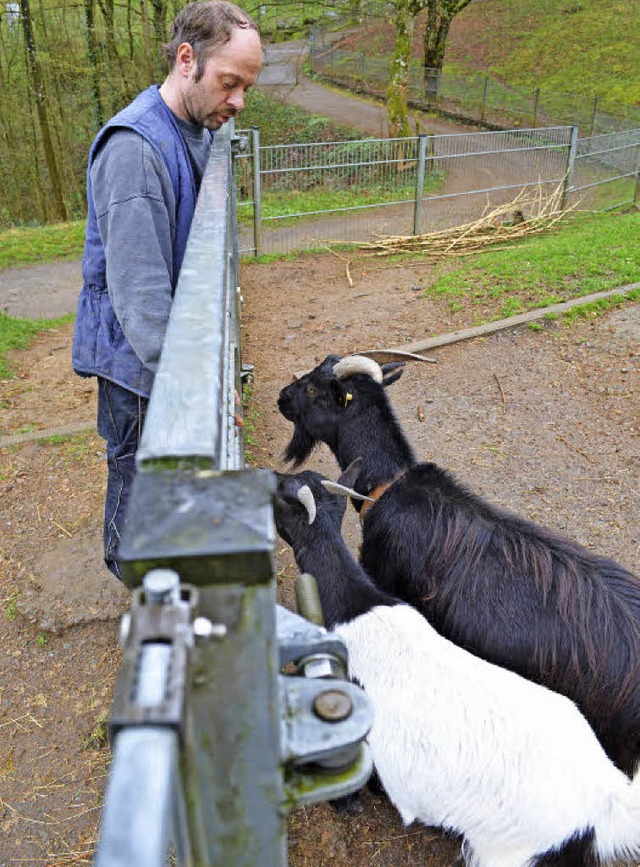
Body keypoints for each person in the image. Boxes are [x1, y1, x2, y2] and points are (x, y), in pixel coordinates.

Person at [72, 0, 262, 580]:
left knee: (168, 474)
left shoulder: (196, 128)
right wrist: (201, 389)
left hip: (167, 351)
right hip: (135, 359)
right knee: (136, 473)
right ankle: (136, 577)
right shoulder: (135, 149)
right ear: (188, 59)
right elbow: (142, 298)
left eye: (246, 88)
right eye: (230, 83)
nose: (238, 102)